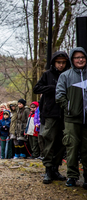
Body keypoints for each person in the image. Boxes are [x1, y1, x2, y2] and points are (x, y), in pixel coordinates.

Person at [34, 51, 71, 184]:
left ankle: (55, 169)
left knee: (62, 142)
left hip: (66, 113)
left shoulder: (69, 75)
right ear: (54, 63)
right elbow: (36, 88)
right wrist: (51, 88)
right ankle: (48, 170)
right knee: (48, 140)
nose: (61, 65)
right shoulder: (47, 74)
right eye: (58, 62)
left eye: (63, 62)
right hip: (50, 113)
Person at [56, 47, 87, 188]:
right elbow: (59, 95)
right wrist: (69, 108)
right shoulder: (65, 76)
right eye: (77, 57)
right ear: (72, 60)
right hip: (71, 119)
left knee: (86, 149)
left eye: (82, 57)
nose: (80, 60)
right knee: (72, 147)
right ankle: (72, 176)